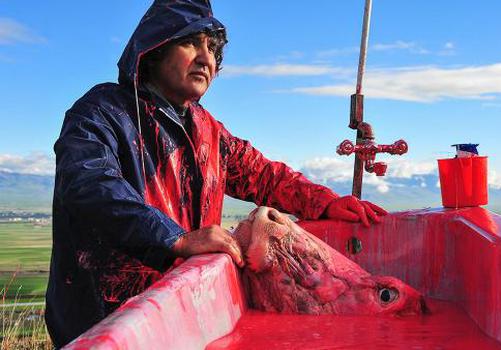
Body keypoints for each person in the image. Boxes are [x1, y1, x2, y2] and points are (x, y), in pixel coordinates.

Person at [45, 0, 387, 347]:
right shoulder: (102, 112)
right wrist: (173, 239)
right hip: (107, 323)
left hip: (186, 318)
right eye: (189, 42)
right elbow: (89, 184)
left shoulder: (206, 129)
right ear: (154, 48)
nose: (206, 59)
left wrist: (325, 203)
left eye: (212, 49)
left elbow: (264, 175)